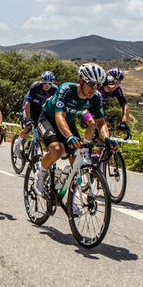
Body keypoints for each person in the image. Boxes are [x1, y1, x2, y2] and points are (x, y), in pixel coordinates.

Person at [32, 63, 115, 197]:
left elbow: (100, 121)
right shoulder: (66, 89)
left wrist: (106, 139)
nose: (94, 88)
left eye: (98, 85)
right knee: (57, 150)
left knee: (77, 158)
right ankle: (40, 175)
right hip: (49, 118)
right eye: (91, 83)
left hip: (68, 122)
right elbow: (59, 116)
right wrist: (69, 136)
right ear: (81, 81)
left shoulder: (96, 96)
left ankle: (72, 199)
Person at [13, 71, 57, 160]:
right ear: (42, 81)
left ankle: (30, 144)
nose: (47, 85)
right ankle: (17, 145)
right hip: (28, 106)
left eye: (49, 83)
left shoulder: (55, 89)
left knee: (42, 129)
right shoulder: (35, 86)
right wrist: (28, 120)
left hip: (39, 108)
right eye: (45, 83)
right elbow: (27, 105)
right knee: (28, 127)